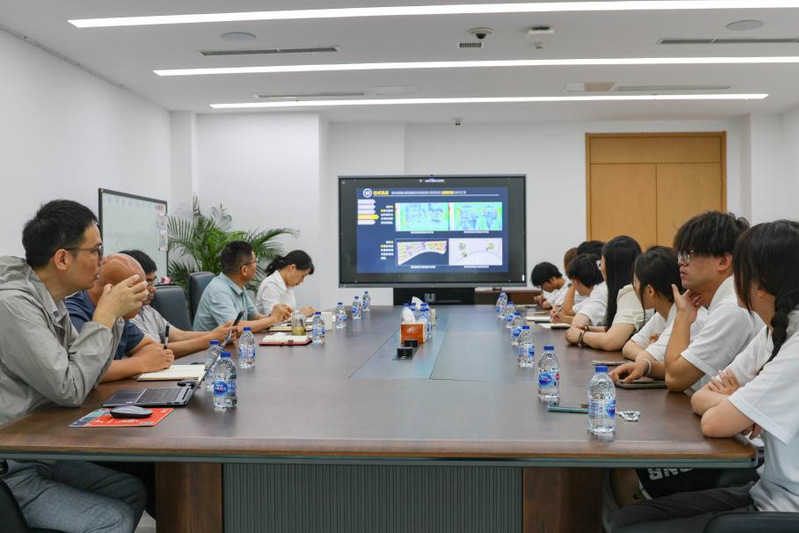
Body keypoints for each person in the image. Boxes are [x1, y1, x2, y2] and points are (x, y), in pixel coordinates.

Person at [612, 220, 799, 533]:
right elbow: (700, 397)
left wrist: (734, 404)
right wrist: (737, 401)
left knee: (630, 526)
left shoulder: (768, 330)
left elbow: (707, 413)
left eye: (742, 270)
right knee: (628, 519)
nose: (681, 263)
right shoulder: (774, 330)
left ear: (763, 282)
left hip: (784, 507)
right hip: (765, 489)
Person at [0, 200, 147, 532]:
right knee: (112, 519)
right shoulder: (12, 304)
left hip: (39, 449)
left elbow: (88, 373)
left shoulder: (50, 298)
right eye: (96, 250)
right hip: (11, 465)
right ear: (63, 259)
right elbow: (70, 388)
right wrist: (104, 316)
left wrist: (115, 317)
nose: (103, 260)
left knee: (130, 490)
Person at [663, 211, 761, 392]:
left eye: (688, 254)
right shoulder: (727, 300)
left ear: (723, 261)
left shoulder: (731, 308)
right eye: (680, 255)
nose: (681, 262)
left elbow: (674, 378)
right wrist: (647, 366)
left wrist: (683, 315)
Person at [67, 254, 174, 382]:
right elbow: (85, 371)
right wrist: (141, 363)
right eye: (138, 292)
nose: (145, 296)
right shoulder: (73, 314)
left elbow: (152, 348)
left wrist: (123, 367)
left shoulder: (120, 316)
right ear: (114, 291)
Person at [612, 247, 705, 381]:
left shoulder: (690, 318)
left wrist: (648, 353)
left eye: (635, 283)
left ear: (650, 290)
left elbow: (643, 359)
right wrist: (648, 353)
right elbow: (628, 347)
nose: (634, 288)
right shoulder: (662, 314)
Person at [121, 249, 234, 357]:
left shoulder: (147, 309)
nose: (153, 289)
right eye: (147, 282)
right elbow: (154, 351)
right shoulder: (125, 317)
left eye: (153, 281)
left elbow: (177, 335)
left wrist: (216, 334)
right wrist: (210, 339)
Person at [566, 236, 644, 349]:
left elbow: (611, 341)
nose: (600, 268)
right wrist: (588, 329)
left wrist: (581, 336)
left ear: (612, 268)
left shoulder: (631, 293)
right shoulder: (630, 289)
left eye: (601, 263)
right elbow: (617, 329)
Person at [193, 241, 291, 332]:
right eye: (255, 261)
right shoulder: (218, 291)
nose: (256, 265)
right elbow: (234, 328)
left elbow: (254, 317)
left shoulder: (238, 285)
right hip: (212, 345)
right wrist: (272, 319)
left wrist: (278, 316)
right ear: (244, 270)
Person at [256, 250, 316, 316]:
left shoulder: (288, 285)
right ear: (292, 268)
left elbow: (289, 314)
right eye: (303, 276)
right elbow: (274, 318)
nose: (302, 281)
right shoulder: (270, 285)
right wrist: (300, 314)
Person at [551, 253, 604, 325]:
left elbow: (579, 321)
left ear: (576, 281)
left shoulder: (599, 293)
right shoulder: (595, 292)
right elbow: (586, 321)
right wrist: (564, 319)